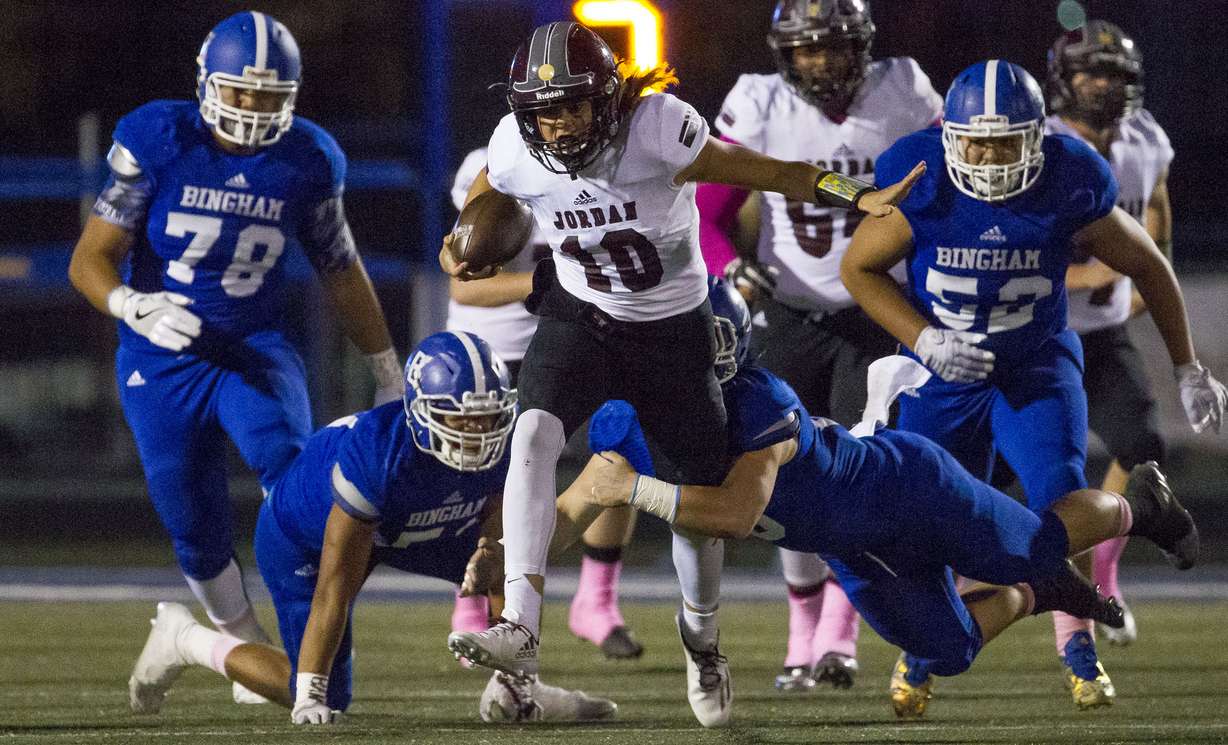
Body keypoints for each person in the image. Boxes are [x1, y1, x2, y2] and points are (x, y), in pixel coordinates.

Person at [439, 20, 923, 728]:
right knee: (534, 434)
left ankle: (702, 642)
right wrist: (462, 249)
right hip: (583, 312)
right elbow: (476, 219)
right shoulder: (515, 146)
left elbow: (770, 172)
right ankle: (520, 622)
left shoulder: (658, 127)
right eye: (544, 108)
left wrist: (853, 196)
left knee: (698, 505)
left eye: (573, 103)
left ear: (607, 97)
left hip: (671, 328)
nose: (559, 122)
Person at [563, 278, 1199, 723]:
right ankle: (1040, 591)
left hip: (906, 489)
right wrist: (502, 561)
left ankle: (1141, 504)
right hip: (851, 548)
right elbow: (566, 513)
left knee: (1038, 543)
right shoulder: (632, 419)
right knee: (947, 651)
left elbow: (732, 516)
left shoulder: (760, 402)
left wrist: (632, 489)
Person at [840, 59, 1227, 713]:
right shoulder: (923, 177)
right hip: (945, 376)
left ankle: (1078, 649)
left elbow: (1149, 265)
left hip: (1034, 368)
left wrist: (1189, 364)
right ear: (949, 136)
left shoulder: (1067, 178)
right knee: (926, 525)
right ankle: (929, 644)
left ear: (1036, 137)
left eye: (1005, 141)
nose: (990, 158)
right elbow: (859, 269)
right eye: (977, 141)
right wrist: (924, 337)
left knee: (1058, 507)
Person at [67, 11, 403, 705]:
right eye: (240, 92)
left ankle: (305, 647)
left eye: (269, 96)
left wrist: (387, 366)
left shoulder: (307, 158)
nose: (252, 108)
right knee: (190, 516)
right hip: (161, 355)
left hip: (253, 349)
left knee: (296, 479)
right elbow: (89, 258)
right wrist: (131, 304)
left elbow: (341, 267)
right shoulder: (160, 138)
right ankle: (239, 639)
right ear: (206, 84)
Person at [126, 331, 616, 725]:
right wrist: (310, 694)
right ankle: (185, 639)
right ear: (420, 411)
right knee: (322, 690)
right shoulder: (380, 454)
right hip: (305, 538)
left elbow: (497, 523)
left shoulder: (504, 441)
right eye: (459, 420)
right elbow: (334, 587)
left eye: (487, 418)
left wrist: (490, 556)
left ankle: (518, 691)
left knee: (513, 561)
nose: (476, 434)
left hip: (409, 525)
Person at [697, 0, 943, 692]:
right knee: (786, 481)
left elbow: (948, 187)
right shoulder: (759, 103)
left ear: (862, 46)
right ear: (784, 53)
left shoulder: (906, 90)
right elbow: (707, 213)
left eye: (832, 48)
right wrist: (725, 267)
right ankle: (802, 636)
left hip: (876, 309)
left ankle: (838, 635)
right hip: (791, 310)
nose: (820, 63)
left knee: (860, 476)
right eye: (805, 50)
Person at [445, 148, 644, 660]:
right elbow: (465, 284)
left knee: (618, 450)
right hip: (494, 354)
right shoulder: (494, 166)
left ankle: (597, 601)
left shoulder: (610, 162)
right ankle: (470, 597)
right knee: (490, 484)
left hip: (578, 341)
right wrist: (545, 284)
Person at [1045, 20, 1172, 646]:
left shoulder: (1145, 138)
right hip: (1038, 335)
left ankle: (1104, 572)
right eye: (1092, 72)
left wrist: (1147, 279)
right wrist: (1089, 271)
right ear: (1064, 81)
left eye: (1115, 73)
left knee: (1143, 446)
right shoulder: (1038, 145)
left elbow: (1155, 218)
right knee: (1044, 476)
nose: (1104, 85)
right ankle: (1061, 596)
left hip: (1104, 331)